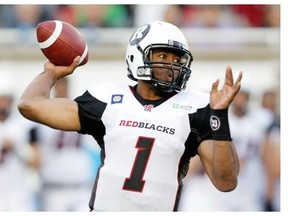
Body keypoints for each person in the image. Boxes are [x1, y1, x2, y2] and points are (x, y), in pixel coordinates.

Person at [18, 21, 242, 211]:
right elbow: (30, 104)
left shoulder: (195, 107)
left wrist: (219, 116)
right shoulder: (107, 99)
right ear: (137, 56)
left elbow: (226, 182)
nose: (171, 66)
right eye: (163, 56)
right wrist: (51, 73)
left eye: (177, 60)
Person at [29, 77, 100, 211]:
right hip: (54, 186)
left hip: (81, 184)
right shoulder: (45, 113)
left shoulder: (80, 109)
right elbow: (35, 149)